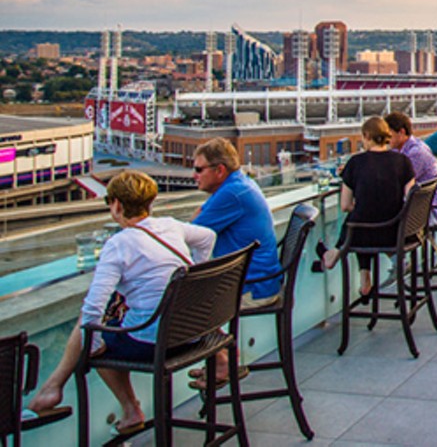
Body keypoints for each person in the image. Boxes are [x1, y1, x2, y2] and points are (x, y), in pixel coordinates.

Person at [27, 171, 216, 436]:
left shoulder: (118, 244)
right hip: (194, 334)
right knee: (100, 332)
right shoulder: (170, 226)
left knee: (91, 334)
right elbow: (207, 237)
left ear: (116, 205)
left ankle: (120, 406)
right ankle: (54, 390)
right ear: (150, 202)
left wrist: (93, 347)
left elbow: (93, 309)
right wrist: (196, 271)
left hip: (159, 342)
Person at [188, 138, 283, 388]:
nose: (194, 175)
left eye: (199, 169)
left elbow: (190, 233)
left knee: (180, 304)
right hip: (262, 281)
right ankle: (222, 356)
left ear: (219, 170)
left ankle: (223, 359)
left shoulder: (232, 193)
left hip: (253, 288)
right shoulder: (238, 185)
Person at [314, 116, 416, 299]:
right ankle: (365, 279)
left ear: (367, 136)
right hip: (396, 233)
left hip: (363, 235)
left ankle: (335, 256)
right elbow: (412, 199)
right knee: (367, 217)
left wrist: (362, 206)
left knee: (359, 219)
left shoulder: (355, 163)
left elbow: (345, 206)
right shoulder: (403, 161)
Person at [385, 111, 437, 223]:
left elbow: (398, 182)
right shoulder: (401, 149)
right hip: (419, 206)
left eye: (390, 135)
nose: (387, 140)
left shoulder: (416, 153)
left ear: (401, 132)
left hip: (429, 212)